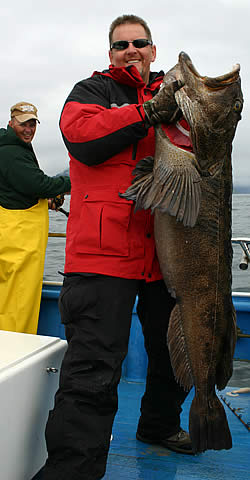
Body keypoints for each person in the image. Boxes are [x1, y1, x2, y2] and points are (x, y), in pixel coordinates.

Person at [43, 14, 194, 480]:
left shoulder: (182, 100)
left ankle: (159, 425)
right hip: (101, 255)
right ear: (110, 53)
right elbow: (83, 138)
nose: (131, 50)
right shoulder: (91, 92)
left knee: (174, 353)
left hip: (166, 253)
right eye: (120, 44)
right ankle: (74, 471)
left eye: (140, 42)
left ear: (154, 49)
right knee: (92, 372)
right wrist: (147, 113)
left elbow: (203, 155)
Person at [0, 101, 71, 334]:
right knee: (18, 300)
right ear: (11, 123)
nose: (28, 129)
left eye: (32, 124)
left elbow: (20, 189)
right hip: (19, 243)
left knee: (10, 296)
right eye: (23, 124)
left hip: (14, 238)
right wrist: (74, 180)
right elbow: (38, 184)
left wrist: (46, 201)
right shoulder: (11, 152)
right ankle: (12, 354)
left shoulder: (14, 147)